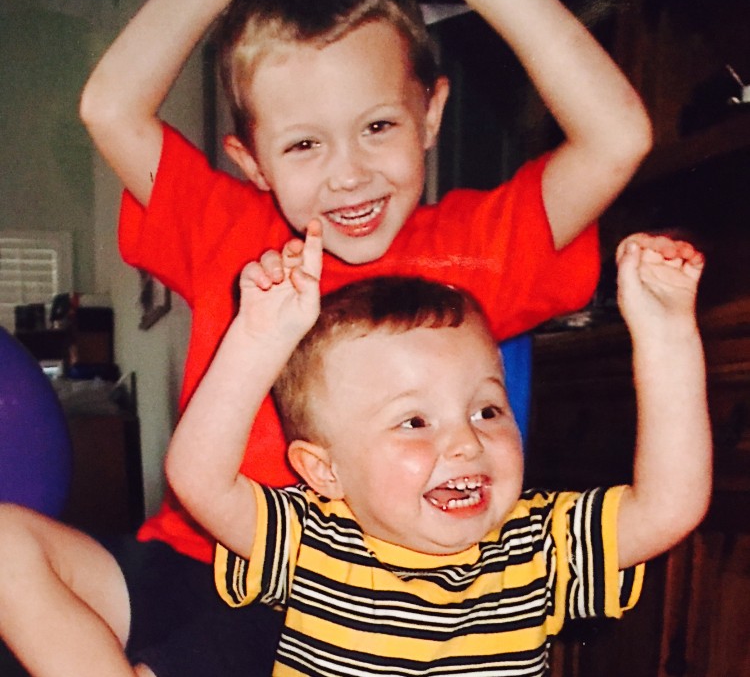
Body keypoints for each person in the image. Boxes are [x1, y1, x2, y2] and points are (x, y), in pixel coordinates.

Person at [0, 0, 652, 675]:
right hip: (184, 555)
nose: (349, 174)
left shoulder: (470, 253)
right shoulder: (228, 231)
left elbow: (617, 137)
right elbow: (109, 107)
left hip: (325, 594)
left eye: (378, 126)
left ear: (430, 117)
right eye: (305, 146)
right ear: (253, 163)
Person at [165, 222, 711, 677]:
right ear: (325, 471)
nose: (465, 442)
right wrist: (258, 340)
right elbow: (198, 478)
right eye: (415, 421)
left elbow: (669, 507)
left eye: (487, 411)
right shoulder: (311, 543)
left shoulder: (540, 545)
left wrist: (667, 337)